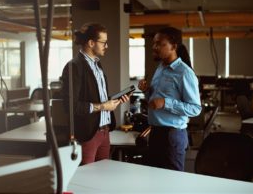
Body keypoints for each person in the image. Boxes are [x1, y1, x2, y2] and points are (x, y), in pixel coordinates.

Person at [61, 22, 129, 165]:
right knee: (86, 181)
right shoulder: (73, 67)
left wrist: (114, 101)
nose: (107, 46)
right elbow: (71, 106)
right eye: (103, 42)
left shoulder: (97, 64)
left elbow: (97, 98)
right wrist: (104, 106)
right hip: (88, 135)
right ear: (91, 43)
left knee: (102, 178)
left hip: (104, 132)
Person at [138, 27, 202, 171]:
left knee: (173, 184)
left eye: (160, 44)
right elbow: (155, 101)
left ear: (173, 46)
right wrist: (147, 91)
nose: (154, 47)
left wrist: (166, 103)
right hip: (155, 133)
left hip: (172, 136)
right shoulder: (160, 68)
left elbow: (195, 108)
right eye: (154, 43)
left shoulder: (185, 73)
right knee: (155, 181)